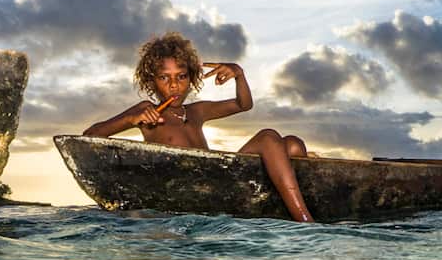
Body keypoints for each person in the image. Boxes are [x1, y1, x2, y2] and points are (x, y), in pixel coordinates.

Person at [82, 31, 315, 222]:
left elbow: (243, 104)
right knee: (268, 137)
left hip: (219, 181)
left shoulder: (196, 111)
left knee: (293, 145)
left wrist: (239, 74)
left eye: (181, 76)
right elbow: (89, 136)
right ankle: (305, 221)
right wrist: (131, 120)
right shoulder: (146, 110)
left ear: (191, 78)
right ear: (151, 81)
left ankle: (294, 207)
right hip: (187, 191)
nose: (174, 85)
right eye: (164, 78)